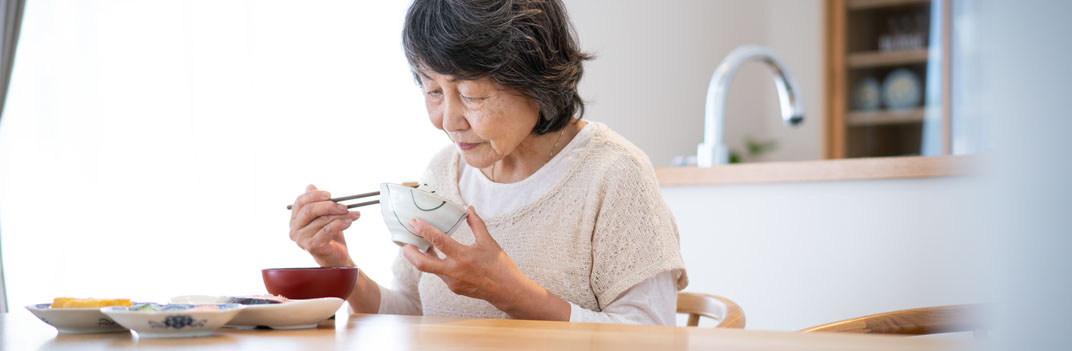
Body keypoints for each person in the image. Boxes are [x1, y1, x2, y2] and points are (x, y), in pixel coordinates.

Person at [288, 0, 687, 325]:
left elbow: (650, 336)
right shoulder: (444, 171)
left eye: (473, 95)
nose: (447, 121)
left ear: (536, 77)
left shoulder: (612, 174)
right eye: (432, 90)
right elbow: (413, 314)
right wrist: (338, 265)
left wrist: (512, 294)